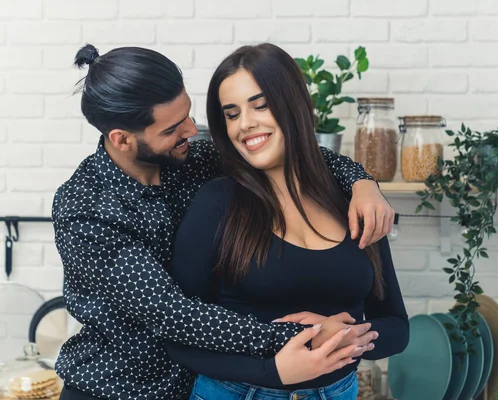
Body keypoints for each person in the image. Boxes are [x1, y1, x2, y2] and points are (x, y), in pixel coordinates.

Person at [52, 43, 396, 400]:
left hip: (199, 386)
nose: (190, 130)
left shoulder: (188, 161)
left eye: (188, 114)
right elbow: (175, 315)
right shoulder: (84, 208)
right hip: (116, 389)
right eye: (172, 128)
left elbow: (293, 151)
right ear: (122, 140)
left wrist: (361, 182)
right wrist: (305, 337)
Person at [165, 43, 410, 400]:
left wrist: (350, 337)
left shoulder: (354, 203)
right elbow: (178, 336)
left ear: (292, 104)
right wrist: (272, 371)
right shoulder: (217, 203)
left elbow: (396, 326)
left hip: (338, 392)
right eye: (231, 114)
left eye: (260, 105)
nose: (245, 124)